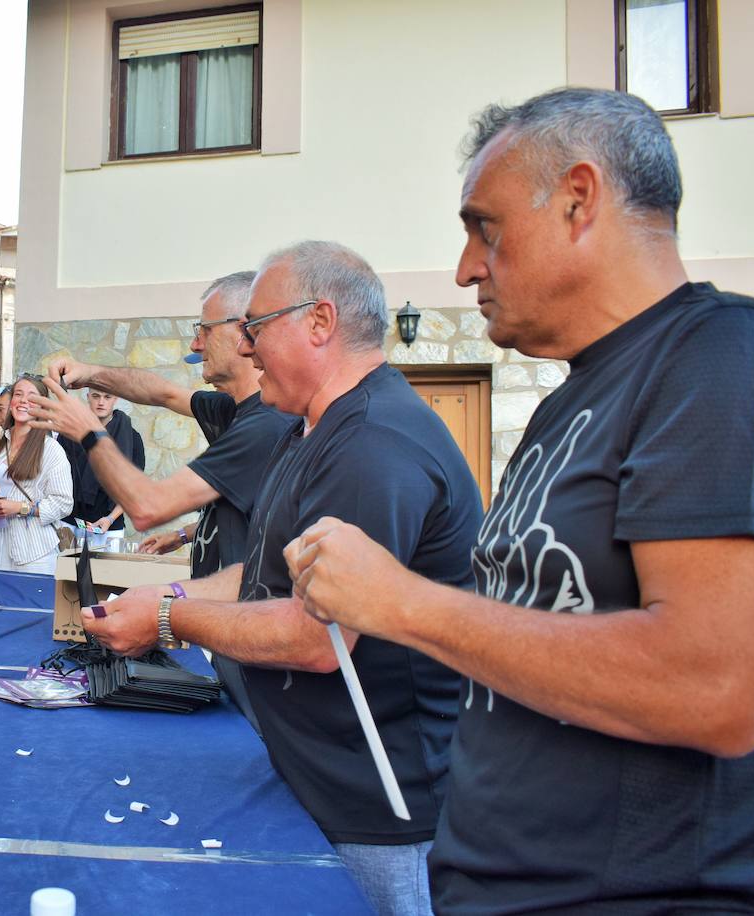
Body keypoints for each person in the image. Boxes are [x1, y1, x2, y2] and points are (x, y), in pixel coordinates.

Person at [286, 88, 754, 913]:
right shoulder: (567, 403)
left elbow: (714, 688)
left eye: (486, 228)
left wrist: (404, 604)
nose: (467, 266)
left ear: (580, 200)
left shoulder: (720, 360)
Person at [82, 241, 482, 916]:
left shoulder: (372, 444)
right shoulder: (311, 429)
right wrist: (167, 595)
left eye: (256, 326)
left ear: (320, 323)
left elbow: (313, 635)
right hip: (316, 780)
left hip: (375, 810)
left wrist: (167, 619)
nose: (246, 344)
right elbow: (265, 575)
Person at [37, 271, 294, 728]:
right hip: (226, 626)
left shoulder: (264, 425)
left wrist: (87, 430)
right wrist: (89, 372)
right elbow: (163, 392)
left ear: (244, 330)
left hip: (247, 634)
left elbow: (147, 507)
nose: (195, 344)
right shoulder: (232, 409)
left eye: (204, 329)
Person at [0, 376, 73, 576]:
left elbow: (64, 502)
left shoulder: (51, 449)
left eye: (32, 397)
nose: (22, 401)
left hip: (33, 551)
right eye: (18, 394)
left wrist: (20, 507)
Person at [56, 386, 144, 533]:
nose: (101, 402)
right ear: (88, 397)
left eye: (107, 397)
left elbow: (135, 487)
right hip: (68, 522)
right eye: (96, 396)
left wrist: (110, 518)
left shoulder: (131, 438)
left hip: (108, 525)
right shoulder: (70, 431)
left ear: (115, 399)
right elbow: (56, 475)